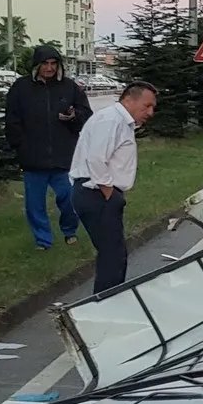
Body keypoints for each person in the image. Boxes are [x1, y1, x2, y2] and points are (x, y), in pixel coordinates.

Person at [69, 82, 158, 294]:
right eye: (147, 106)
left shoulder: (119, 121)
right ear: (129, 100)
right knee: (112, 256)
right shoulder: (111, 120)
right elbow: (97, 159)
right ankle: (104, 304)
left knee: (113, 254)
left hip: (100, 193)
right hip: (96, 193)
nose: (150, 112)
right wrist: (108, 192)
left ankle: (108, 300)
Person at [3, 45, 93, 251]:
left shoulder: (69, 87)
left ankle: (69, 231)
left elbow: (87, 115)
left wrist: (73, 117)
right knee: (35, 205)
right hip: (32, 157)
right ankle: (43, 241)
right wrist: (18, 146)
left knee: (69, 199)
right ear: (36, 66)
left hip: (64, 157)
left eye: (54, 64)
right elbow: (11, 120)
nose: (50, 68)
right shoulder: (21, 88)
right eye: (45, 64)